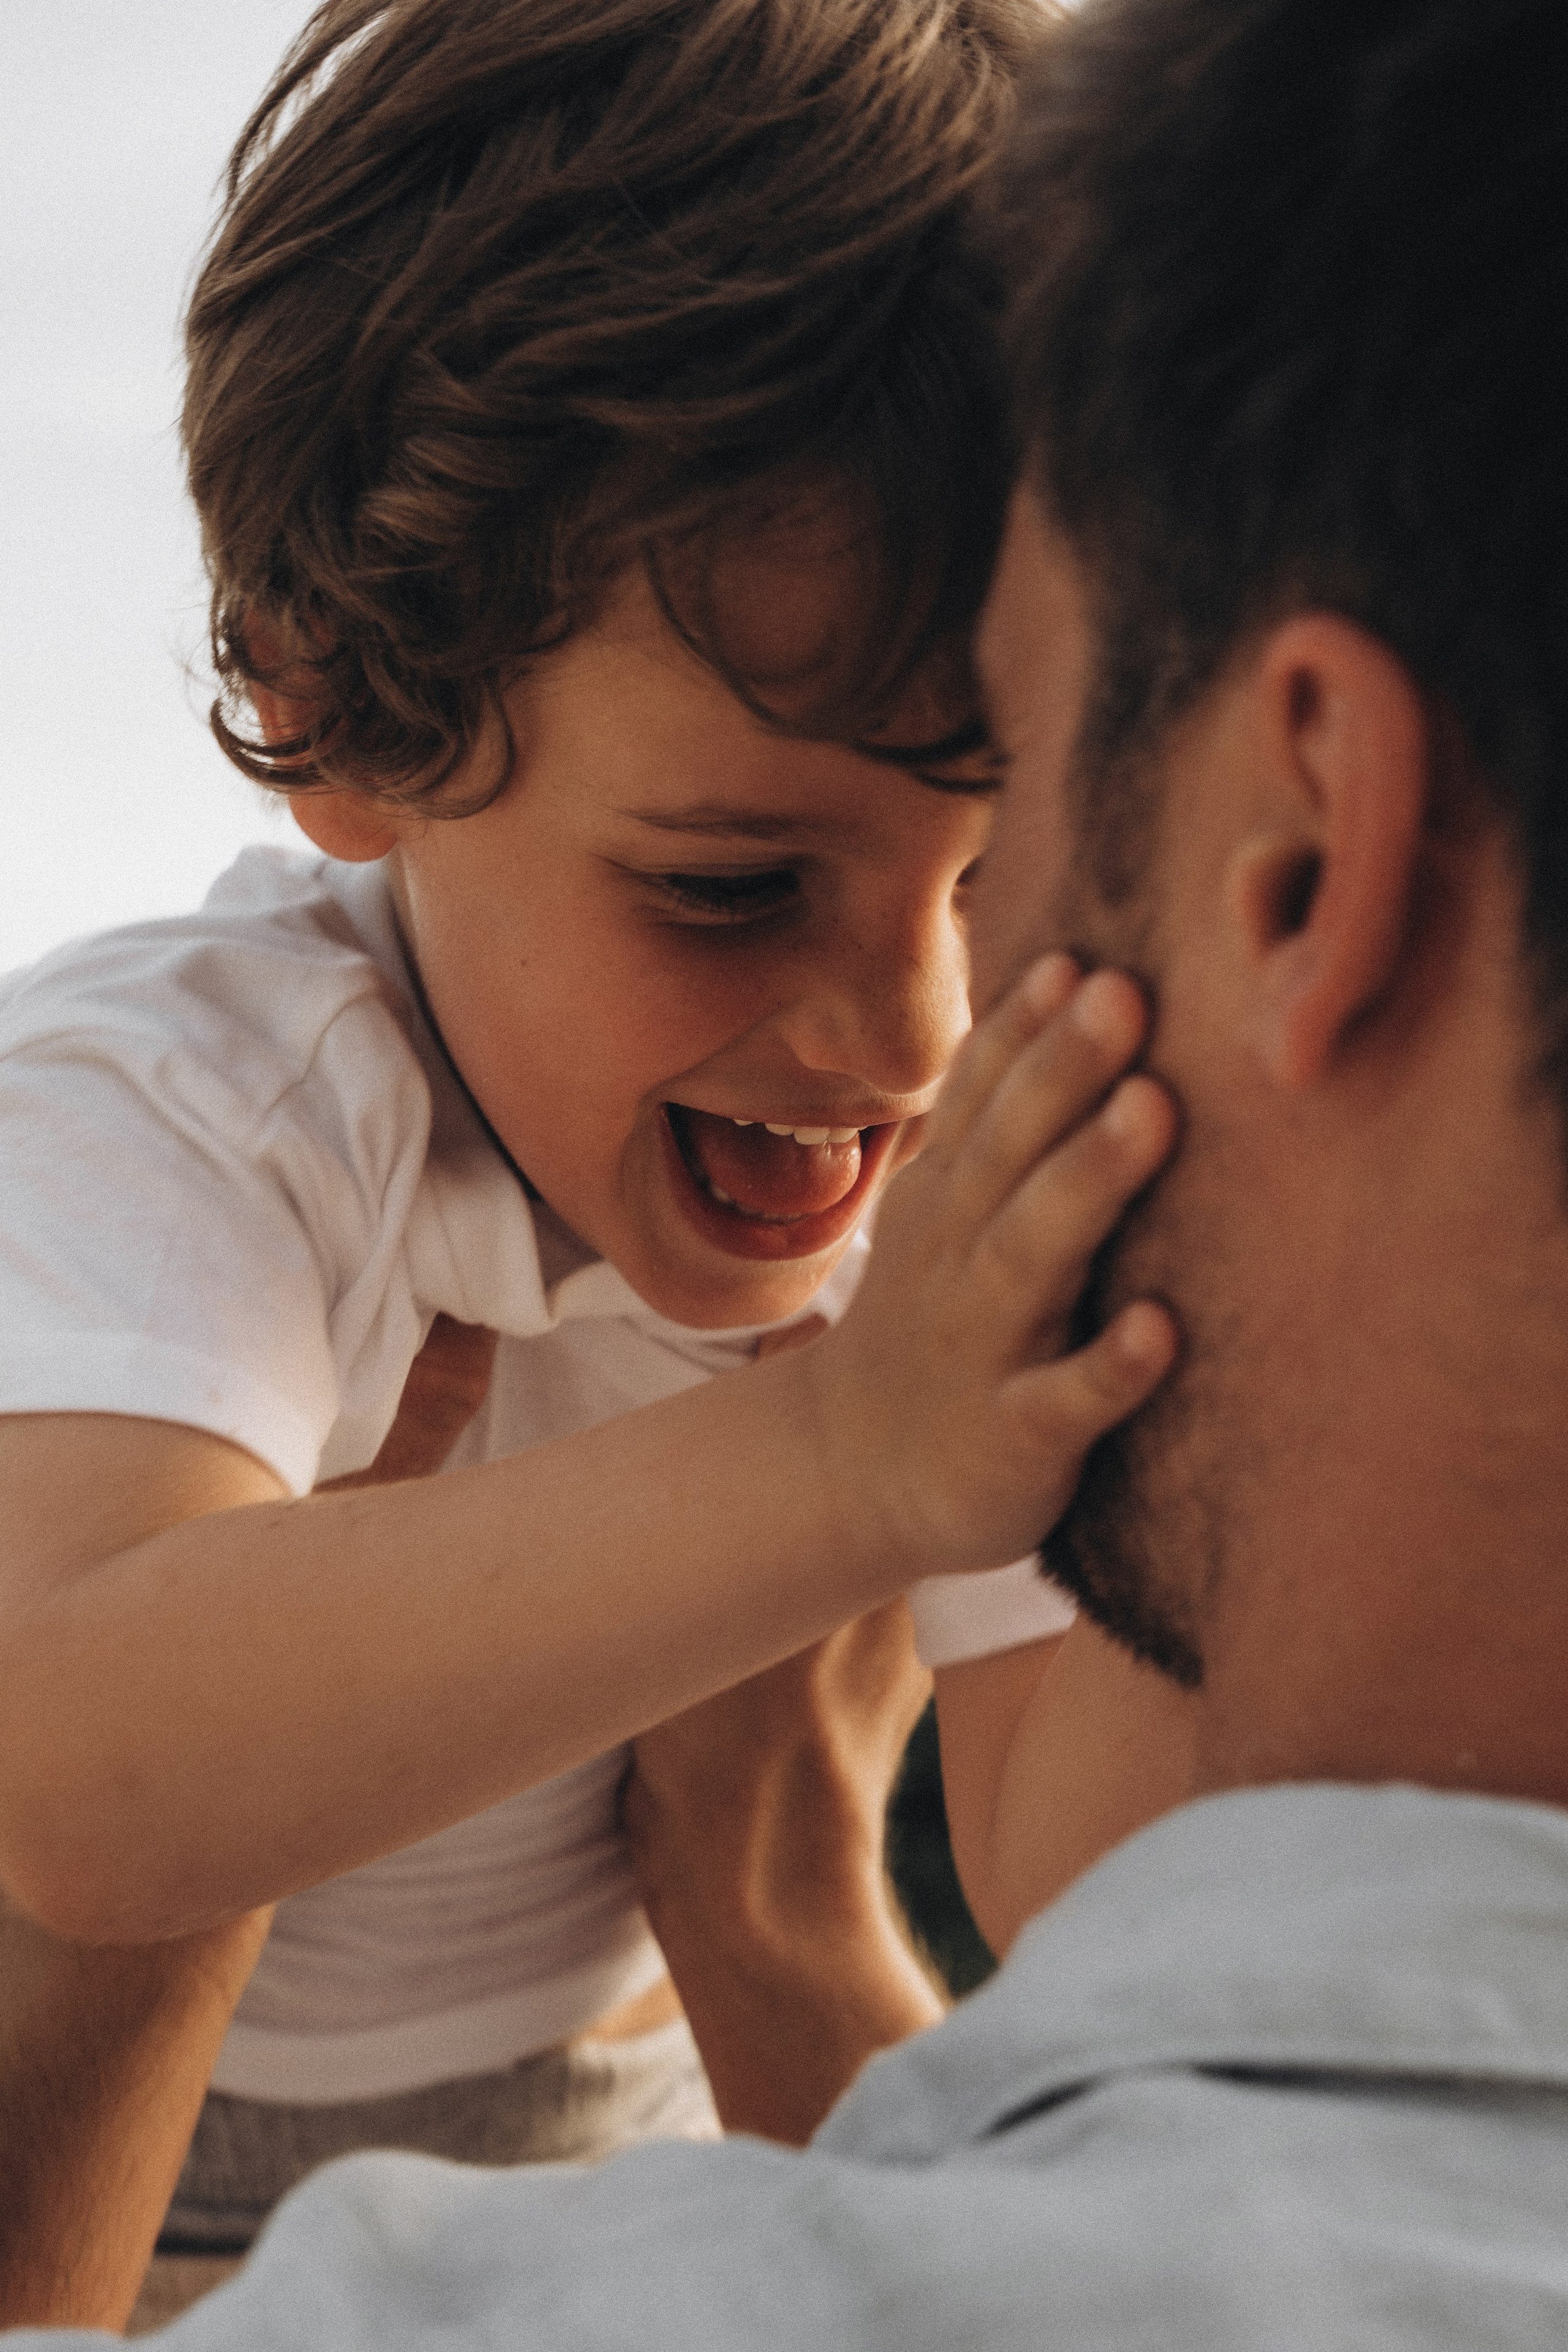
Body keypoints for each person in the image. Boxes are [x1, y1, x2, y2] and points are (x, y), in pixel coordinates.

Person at [12, 0, 1568, 2340]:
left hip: (594, 2126)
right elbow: (81, 1767)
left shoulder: (943, 1214)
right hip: (159, 2157)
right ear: (336, 708)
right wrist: (842, 1465)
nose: (911, 1031)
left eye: (989, 867)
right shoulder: (206, 1093)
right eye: (731, 887)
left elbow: (1097, 1883)